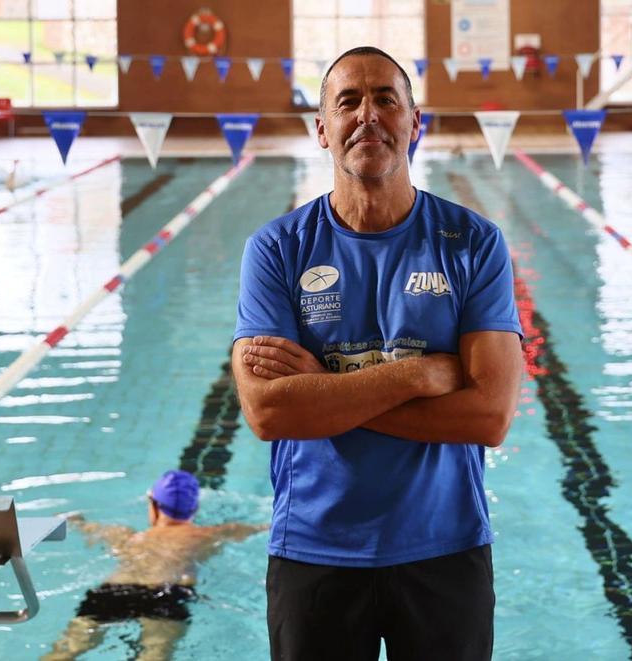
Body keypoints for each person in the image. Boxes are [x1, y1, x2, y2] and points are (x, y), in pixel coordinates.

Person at [231, 46, 524, 661]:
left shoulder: (473, 243)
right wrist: (419, 374)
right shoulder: (276, 250)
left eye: (386, 99)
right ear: (321, 130)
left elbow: (490, 418)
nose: (368, 115)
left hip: (446, 547)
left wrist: (326, 394)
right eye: (348, 102)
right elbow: (269, 414)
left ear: (416, 122)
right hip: (314, 549)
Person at [43, 470, 266, 660]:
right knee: (155, 655)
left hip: (117, 590)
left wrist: (79, 522)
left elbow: (93, 530)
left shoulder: (128, 536)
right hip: (166, 593)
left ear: (153, 505)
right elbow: (253, 529)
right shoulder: (207, 535)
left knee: (67, 650)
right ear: (194, 509)